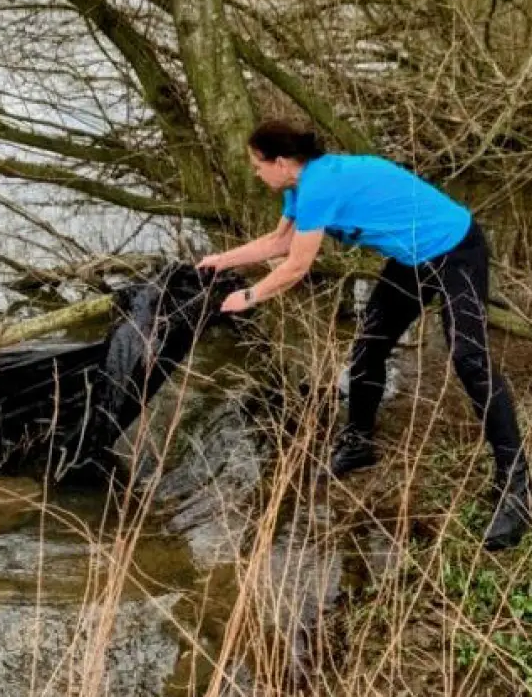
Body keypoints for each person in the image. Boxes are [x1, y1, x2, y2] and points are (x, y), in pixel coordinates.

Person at [198, 120, 529, 551]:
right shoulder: (301, 187)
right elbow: (279, 243)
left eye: (257, 165)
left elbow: (296, 266)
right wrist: (220, 261)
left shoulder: (318, 187)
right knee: (369, 347)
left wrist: (250, 295)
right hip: (412, 258)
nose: (255, 173)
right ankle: (358, 443)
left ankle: (517, 487)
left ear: (280, 163)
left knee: (469, 358)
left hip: (454, 249)